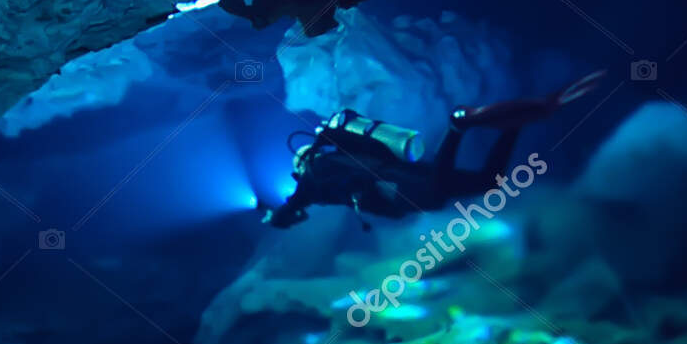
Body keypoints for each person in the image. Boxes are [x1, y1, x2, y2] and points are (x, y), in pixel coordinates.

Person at [259, 69, 607, 228]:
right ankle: (513, 125)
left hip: (395, 189)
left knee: (437, 194)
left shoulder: (310, 181)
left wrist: (275, 216)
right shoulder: (335, 158)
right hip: (402, 173)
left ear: (301, 163)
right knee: (488, 184)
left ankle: (457, 126)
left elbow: (290, 208)